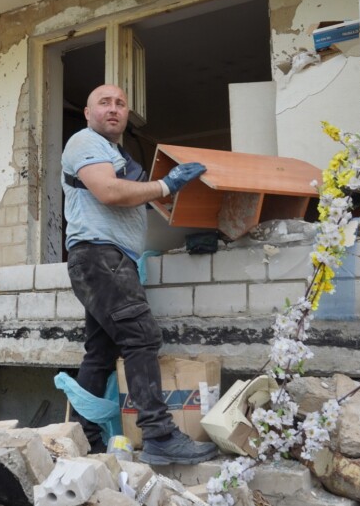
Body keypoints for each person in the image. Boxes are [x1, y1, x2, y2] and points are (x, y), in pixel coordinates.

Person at [61, 84, 219, 465]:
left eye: (120, 104)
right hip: (100, 256)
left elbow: (131, 197)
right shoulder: (84, 142)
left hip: (105, 258)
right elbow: (110, 192)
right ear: (88, 112)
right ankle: (159, 434)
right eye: (104, 103)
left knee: (101, 352)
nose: (113, 109)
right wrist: (166, 184)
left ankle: (84, 438)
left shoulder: (116, 153)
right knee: (141, 336)